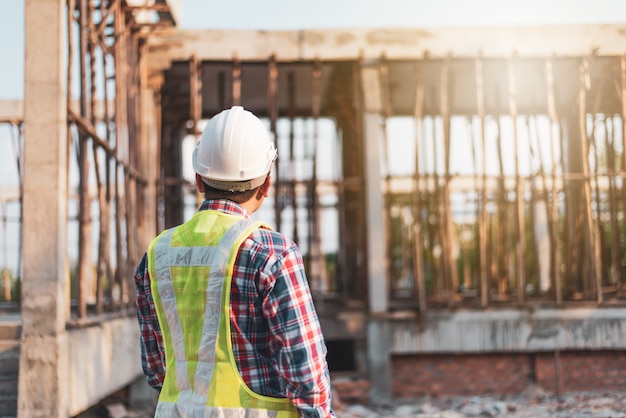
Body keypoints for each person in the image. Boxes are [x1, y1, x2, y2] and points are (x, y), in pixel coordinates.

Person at [134, 105, 336, 417]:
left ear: (199, 180)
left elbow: (158, 371)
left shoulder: (157, 255)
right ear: (266, 185)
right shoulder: (272, 253)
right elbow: (306, 375)